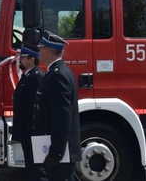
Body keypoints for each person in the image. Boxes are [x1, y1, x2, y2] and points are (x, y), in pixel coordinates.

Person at [34, 30, 82, 181]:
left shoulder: (57, 76)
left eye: (41, 48)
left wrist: (55, 154)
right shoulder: (58, 72)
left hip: (61, 153)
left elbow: (62, 119)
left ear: (47, 50)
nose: (39, 51)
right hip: (61, 151)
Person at [11, 43, 46, 181]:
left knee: (37, 169)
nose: (20, 59)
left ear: (32, 59)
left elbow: (35, 108)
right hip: (26, 131)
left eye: (23, 57)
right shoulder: (28, 75)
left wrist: (33, 133)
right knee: (31, 168)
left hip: (32, 132)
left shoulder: (36, 77)